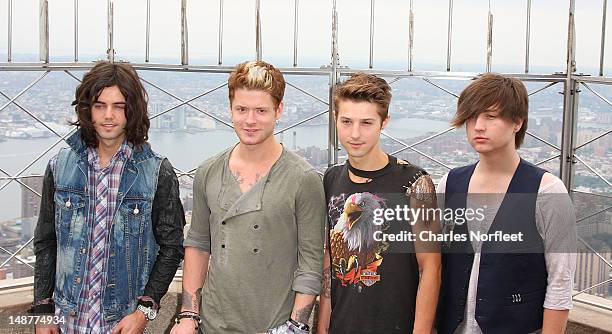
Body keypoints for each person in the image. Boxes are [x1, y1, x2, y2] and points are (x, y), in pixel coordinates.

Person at [30, 61, 186, 334]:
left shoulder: (156, 172)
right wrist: (43, 310)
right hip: (68, 320)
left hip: (121, 321)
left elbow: (172, 248)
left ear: (132, 110)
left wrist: (144, 310)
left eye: (119, 106)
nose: (108, 115)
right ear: (87, 110)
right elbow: (46, 242)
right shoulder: (60, 167)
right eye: (100, 105)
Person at [171, 60, 326, 334]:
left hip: (274, 325)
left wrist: (296, 325)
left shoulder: (303, 180)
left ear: (279, 110)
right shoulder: (208, 172)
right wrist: (188, 314)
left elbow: (310, 263)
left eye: (261, 111)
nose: (250, 120)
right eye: (242, 109)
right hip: (213, 323)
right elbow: (197, 244)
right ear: (231, 109)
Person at [436, 73, 577, 334]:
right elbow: (436, 266)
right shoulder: (450, 183)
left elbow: (560, 282)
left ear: (517, 122)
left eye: (490, 116)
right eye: (471, 117)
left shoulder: (547, 192)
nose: (478, 126)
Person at [317, 73, 441, 334]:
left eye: (367, 123)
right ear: (335, 120)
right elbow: (331, 262)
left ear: (384, 122)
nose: (355, 134)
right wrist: (322, 327)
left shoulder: (416, 182)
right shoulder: (331, 179)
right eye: (346, 121)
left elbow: (430, 268)